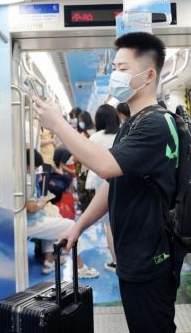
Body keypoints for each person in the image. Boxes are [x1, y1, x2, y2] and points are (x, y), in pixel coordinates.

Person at [33, 32, 185, 332]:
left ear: (149, 75)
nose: (116, 75)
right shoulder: (133, 123)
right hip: (134, 253)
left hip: (152, 256)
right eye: (114, 68)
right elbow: (113, 183)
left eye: (123, 69)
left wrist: (59, 125)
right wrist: (78, 227)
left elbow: (104, 166)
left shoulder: (156, 124)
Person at [25, 149, 99, 279]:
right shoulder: (26, 180)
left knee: (52, 220)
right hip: (30, 222)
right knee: (70, 226)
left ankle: (49, 262)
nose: (35, 170)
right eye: (35, 168)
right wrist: (42, 203)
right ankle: (80, 267)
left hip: (30, 220)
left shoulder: (23, 177)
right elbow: (31, 208)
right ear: (28, 165)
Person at [85, 104, 120, 272]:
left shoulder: (95, 138)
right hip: (124, 177)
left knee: (109, 224)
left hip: (103, 181)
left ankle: (116, 262)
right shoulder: (123, 133)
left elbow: (87, 161)